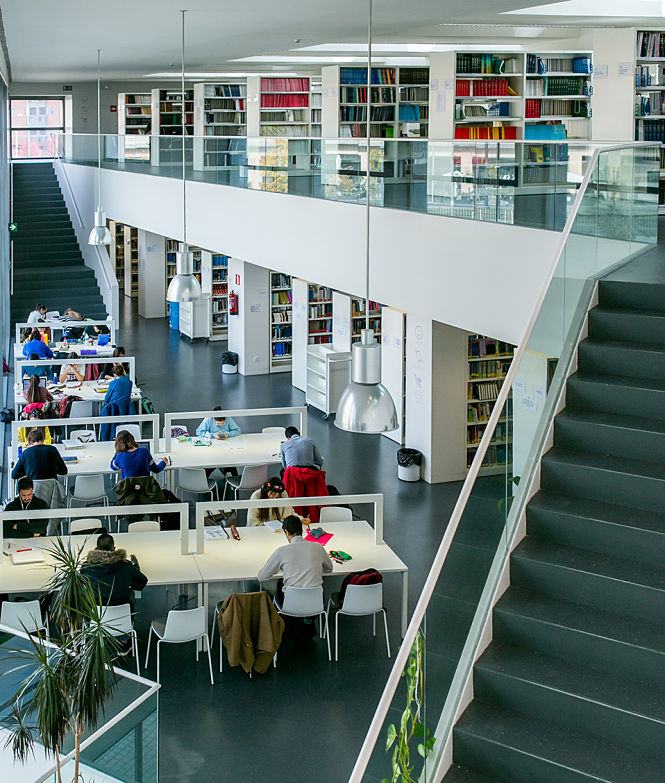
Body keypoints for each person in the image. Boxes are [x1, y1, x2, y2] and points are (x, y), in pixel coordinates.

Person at [257, 515, 332, 596]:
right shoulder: (318, 547)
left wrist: (279, 568)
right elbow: (329, 569)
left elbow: (262, 576)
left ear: (286, 532)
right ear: (301, 530)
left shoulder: (281, 551)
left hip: (290, 602)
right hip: (317, 602)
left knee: (279, 585)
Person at [81, 529, 148, 606]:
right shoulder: (126, 565)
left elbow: (83, 585)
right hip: (123, 611)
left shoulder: (86, 567)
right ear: (114, 549)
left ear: (96, 549)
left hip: (96, 610)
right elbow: (142, 583)